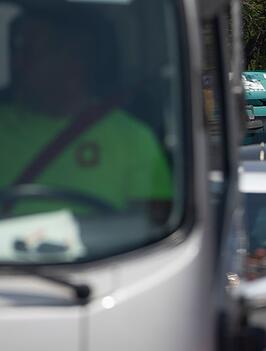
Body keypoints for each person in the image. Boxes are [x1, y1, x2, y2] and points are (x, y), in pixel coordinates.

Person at [0, 13, 173, 220]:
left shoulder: (134, 141)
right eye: (16, 51)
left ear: (74, 58)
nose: (17, 64)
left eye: (31, 53)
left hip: (114, 253)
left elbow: (154, 229)